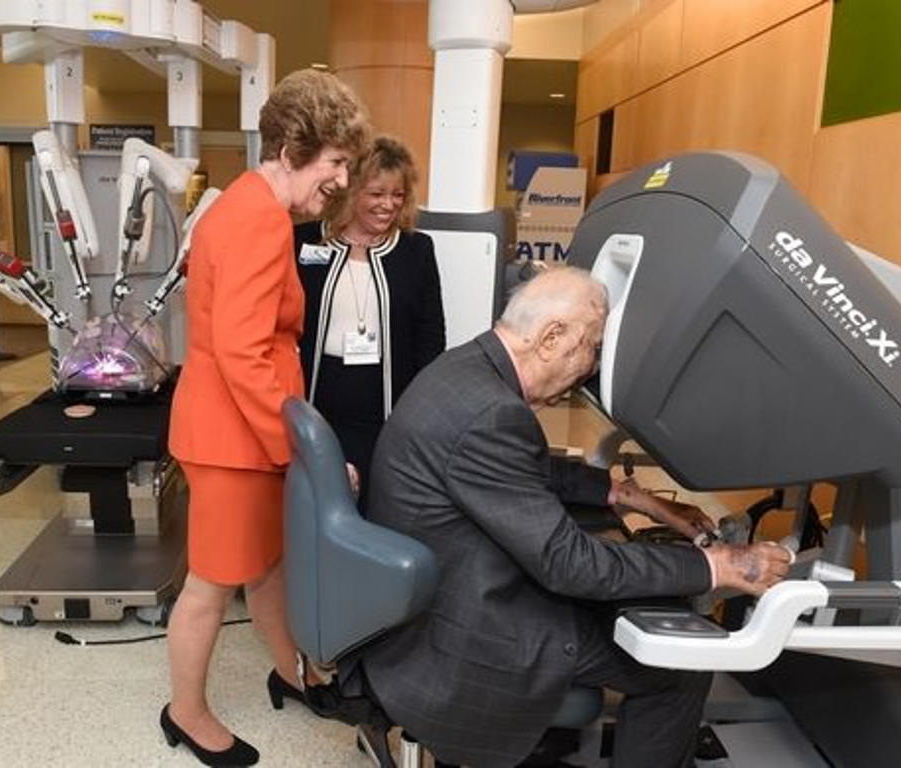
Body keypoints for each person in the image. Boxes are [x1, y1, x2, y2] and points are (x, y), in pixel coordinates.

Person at [356, 266, 793, 768]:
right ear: (551, 337)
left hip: (439, 596)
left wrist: (635, 498)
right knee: (683, 660)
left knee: (643, 583)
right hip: (467, 633)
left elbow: (525, 467)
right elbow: (569, 564)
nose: (590, 367)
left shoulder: (465, 369)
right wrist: (721, 566)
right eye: (591, 347)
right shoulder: (492, 413)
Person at [162, 69, 370, 767]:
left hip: (241, 430)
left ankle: (290, 670)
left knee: (269, 567)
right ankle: (186, 712)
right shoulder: (255, 220)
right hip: (233, 439)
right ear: (291, 149)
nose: (341, 179)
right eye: (336, 162)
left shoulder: (252, 210)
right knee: (209, 586)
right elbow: (245, 354)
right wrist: (298, 452)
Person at [294, 135, 445, 513]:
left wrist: (421, 411)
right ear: (351, 190)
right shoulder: (303, 241)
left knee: (379, 508)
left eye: (398, 195)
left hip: (387, 404)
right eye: (377, 193)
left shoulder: (416, 250)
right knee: (317, 507)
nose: (388, 205)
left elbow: (431, 336)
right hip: (317, 399)